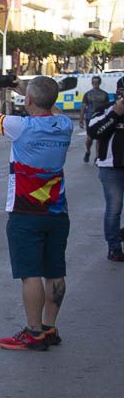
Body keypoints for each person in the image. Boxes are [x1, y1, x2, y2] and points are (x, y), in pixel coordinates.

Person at [0, 75, 72, 350]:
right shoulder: (65, 125)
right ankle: (50, 328)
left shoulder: (22, 127)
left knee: (30, 274)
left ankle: (33, 332)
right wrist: (27, 90)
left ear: (28, 100)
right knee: (55, 271)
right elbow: (50, 108)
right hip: (57, 211)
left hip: (26, 211)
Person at [87, 78, 124, 261]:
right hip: (111, 168)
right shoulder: (105, 109)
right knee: (114, 209)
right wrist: (115, 115)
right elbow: (94, 132)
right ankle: (114, 248)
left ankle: (119, 233)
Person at [81, 75, 112, 163]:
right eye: (93, 82)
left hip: (101, 118)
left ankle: (97, 156)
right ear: (91, 83)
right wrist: (80, 120)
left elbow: (107, 107)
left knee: (99, 138)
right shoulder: (87, 94)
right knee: (89, 138)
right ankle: (88, 151)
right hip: (90, 118)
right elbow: (83, 107)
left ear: (100, 83)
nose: (95, 84)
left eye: (97, 82)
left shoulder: (104, 94)